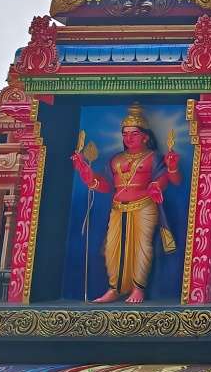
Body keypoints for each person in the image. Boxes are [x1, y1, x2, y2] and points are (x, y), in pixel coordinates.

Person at [70, 102, 181, 304]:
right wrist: (87, 175)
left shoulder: (152, 157)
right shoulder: (115, 159)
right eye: (125, 134)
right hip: (118, 207)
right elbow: (106, 185)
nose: (128, 138)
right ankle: (115, 288)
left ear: (145, 136)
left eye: (134, 134)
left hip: (144, 206)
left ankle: (138, 289)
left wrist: (165, 175)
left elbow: (170, 179)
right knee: (112, 249)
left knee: (142, 247)